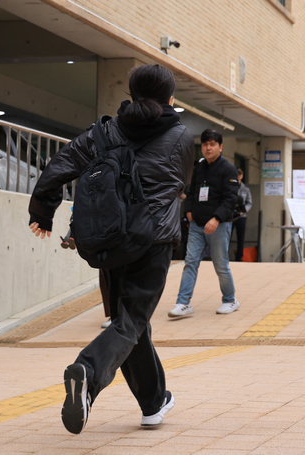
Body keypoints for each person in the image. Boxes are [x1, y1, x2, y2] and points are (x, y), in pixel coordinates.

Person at [27, 64, 193, 434]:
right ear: (170, 98)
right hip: (151, 241)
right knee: (132, 321)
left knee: (131, 323)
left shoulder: (105, 130)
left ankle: (154, 402)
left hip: (110, 239)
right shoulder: (181, 136)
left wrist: (43, 210)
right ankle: (88, 370)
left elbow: (61, 164)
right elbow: (180, 183)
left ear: (132, 94)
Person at [168, 129, 240, 318]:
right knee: (190, 262)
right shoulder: (199, 167)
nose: (208, 147)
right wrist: (189, 214)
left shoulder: (228, 169)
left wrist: (216, 219)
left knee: (220, 264)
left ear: (220, 147)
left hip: (219, 225)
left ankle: (230, 300)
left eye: (212, 144)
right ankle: (183, 303)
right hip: (197, 226)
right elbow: (190, 193)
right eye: (205, 144)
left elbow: (231, 199)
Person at [233, 168, 253, 261]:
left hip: (241, 216)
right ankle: (224, 256)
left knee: (241, 237)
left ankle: (239, 256)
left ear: (242, 176)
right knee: (226, 236)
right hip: (230, 215)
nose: (238, 176)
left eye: (239, 174)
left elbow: (249, 202)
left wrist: (243, 210)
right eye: (236, 174)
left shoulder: (246, 189)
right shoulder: (229, 187)